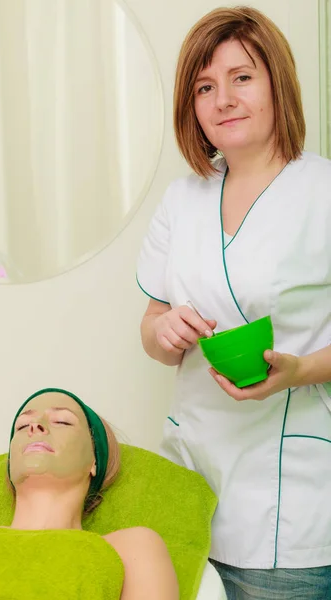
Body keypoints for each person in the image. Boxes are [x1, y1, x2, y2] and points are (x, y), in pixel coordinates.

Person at [137, 5, 331, 599]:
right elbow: (151, 325)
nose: (223, 98)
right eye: (204, 86)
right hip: (192, 484)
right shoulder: (181, 198)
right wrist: (164, 331)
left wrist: (300, 370)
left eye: (242, 77)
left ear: (278, 83)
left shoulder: (322, 192)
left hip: (290, 503)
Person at [0, 388, 179, 600]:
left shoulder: (131, 547)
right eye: (22, 425)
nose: (34, 426)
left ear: (94, 459)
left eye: (62, 421)